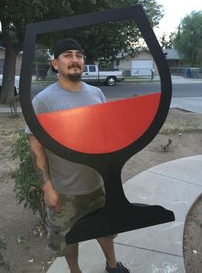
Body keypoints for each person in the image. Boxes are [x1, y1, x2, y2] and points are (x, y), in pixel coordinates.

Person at [25, 38, 129, 273]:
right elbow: (36, 145)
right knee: (69, 238)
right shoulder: (44, 100)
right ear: (55, 63)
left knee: (105, 228)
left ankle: (113, 266)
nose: (75, 60)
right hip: (65, 189)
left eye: (79, 55)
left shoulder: (96, 94)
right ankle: (75, 271)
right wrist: (47, 187)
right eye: (68, 55)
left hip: (96, 183)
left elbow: (106, 135)